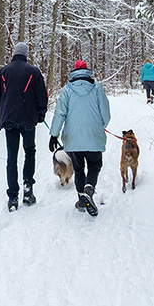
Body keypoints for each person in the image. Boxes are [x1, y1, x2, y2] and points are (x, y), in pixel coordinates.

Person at [48, 60, 111, 217]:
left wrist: (54, 134)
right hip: (94, 136)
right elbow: (105, 111)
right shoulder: (96, 87)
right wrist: (100, 125)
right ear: (87, 71)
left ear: (74, 72)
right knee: (95, 165)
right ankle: (89, 189)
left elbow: (60, 112)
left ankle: (81, 199)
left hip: (74, 138)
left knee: (78, 168)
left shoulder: (67, 90)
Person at [0, 41, 48, 212]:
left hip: (9, 120)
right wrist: (40, 113)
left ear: (14, 54)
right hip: (28, 120)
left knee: (11, 158)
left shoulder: (3, 72)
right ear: (26, 55)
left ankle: (13, 196)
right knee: (29, 152)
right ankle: (28, 190)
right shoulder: (34, 72)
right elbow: (42, 96)